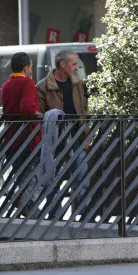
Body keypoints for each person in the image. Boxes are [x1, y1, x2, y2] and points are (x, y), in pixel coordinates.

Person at [36, 50, 88, 216]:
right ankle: (55, 214)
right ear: (62, 64)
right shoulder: (43, 86)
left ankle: (82, 213)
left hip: (77, 136)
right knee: (54, 178)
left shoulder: (78, 84)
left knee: (81, 174)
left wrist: (86, 132)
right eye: (73, 64)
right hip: (55, 139)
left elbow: (84, 108)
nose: (76, 67)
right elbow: (40, 114)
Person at [0, 52, 41, 214]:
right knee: (33, 173)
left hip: (11, 137)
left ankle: (20, 201)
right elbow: (27, 108)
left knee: (20, 172)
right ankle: (27, 205)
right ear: (26, 68)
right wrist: (38, 114)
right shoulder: (27, 83)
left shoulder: (6, 85)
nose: (31, 70)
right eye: (30, 67)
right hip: (28, 137)